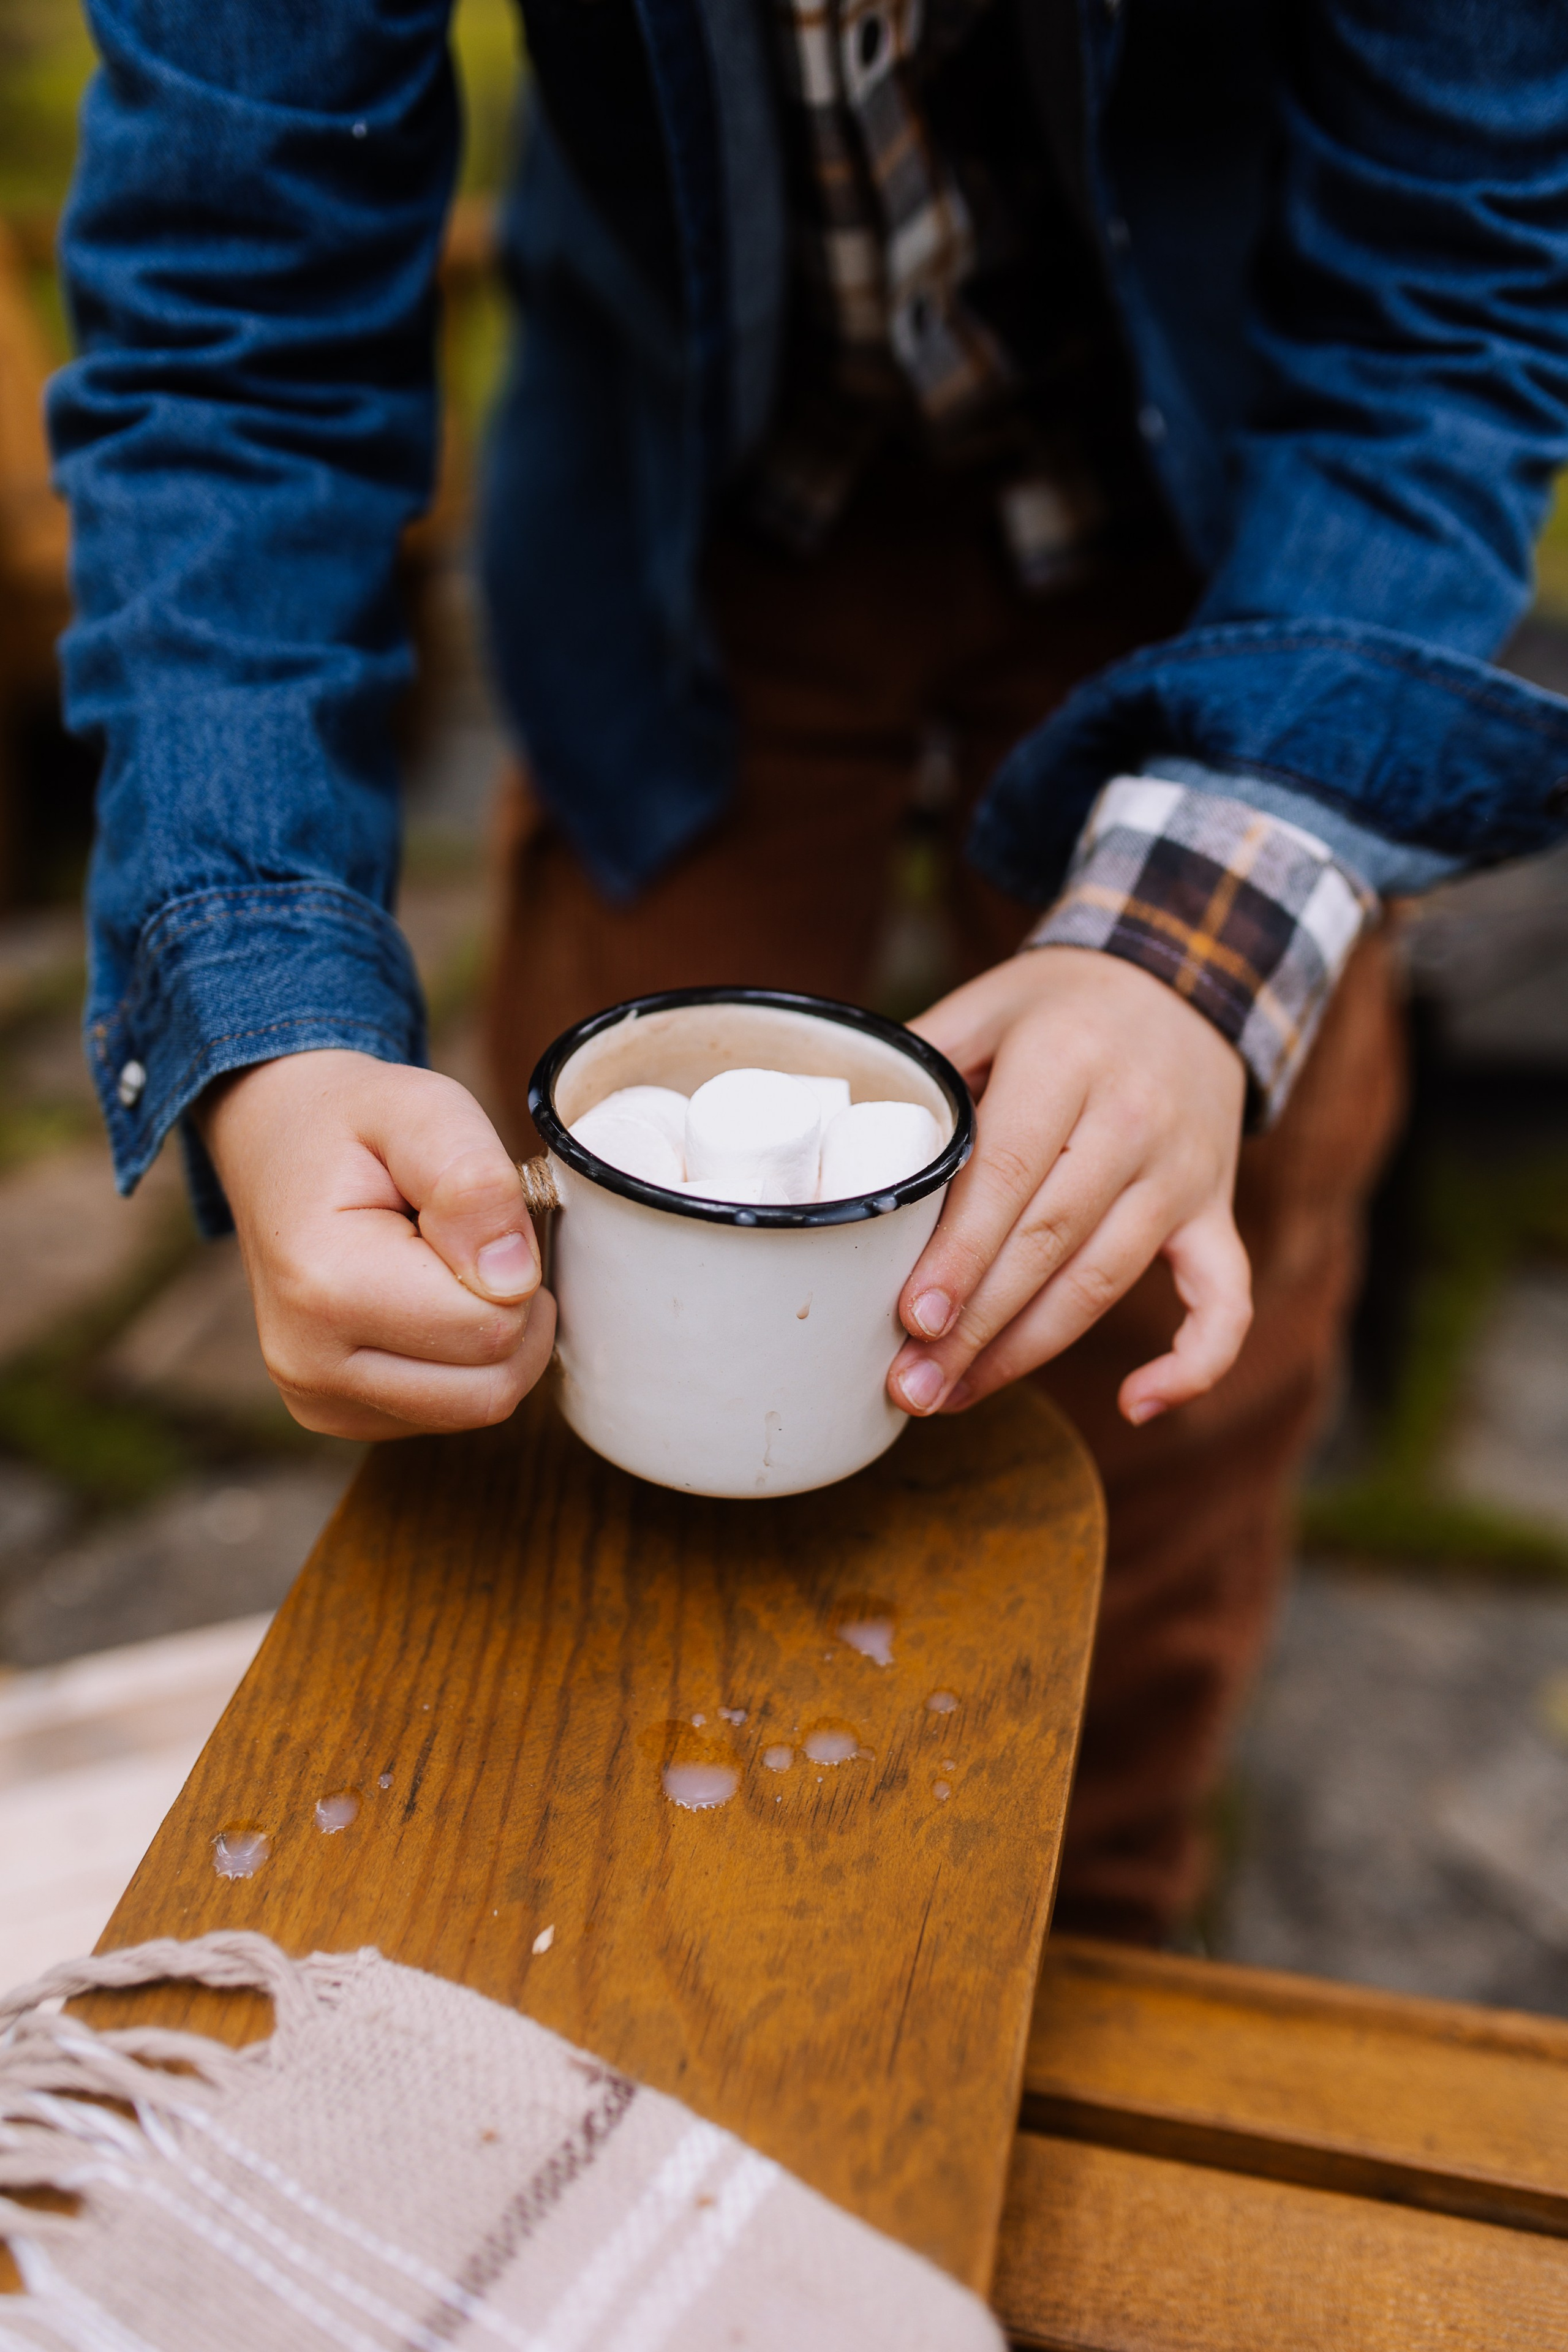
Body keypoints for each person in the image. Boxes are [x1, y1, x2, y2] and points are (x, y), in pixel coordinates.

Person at [51, 0, 1568, 1940]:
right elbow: (222, 330)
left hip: (1244, 540)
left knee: (1150, 1343)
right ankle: (644, 1914)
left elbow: (1450, 309)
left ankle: (1093, 1922)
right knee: (607, 1363)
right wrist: (263, 1007)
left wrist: (1204, 946)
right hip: (695, 512)